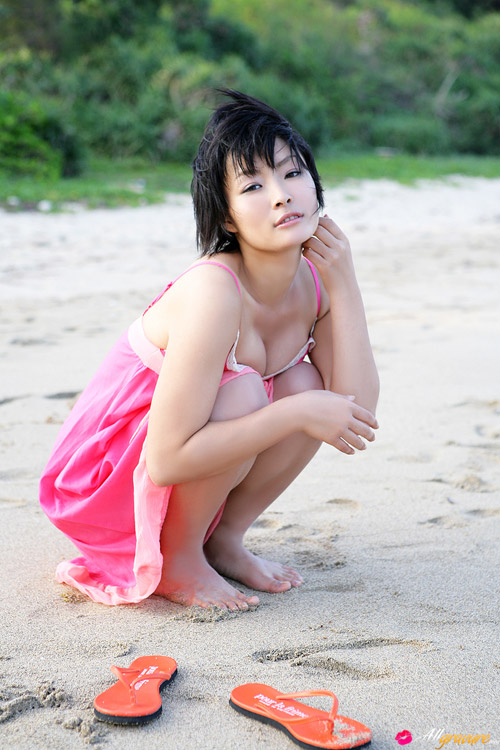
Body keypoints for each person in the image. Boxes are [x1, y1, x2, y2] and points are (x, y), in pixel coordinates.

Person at [40, 90, 379, 611]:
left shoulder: (317, 282)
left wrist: (345, 286)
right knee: (250, 392)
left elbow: (354, 411)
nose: (281, 196)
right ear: (227, 220)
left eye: (292, 174)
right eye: (253, 186)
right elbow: (166, 459)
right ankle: (177, 559)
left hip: (184, 464)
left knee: (304, 384)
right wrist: (295, 414)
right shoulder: (213, 291)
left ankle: (223, 540)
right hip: (107, 477)